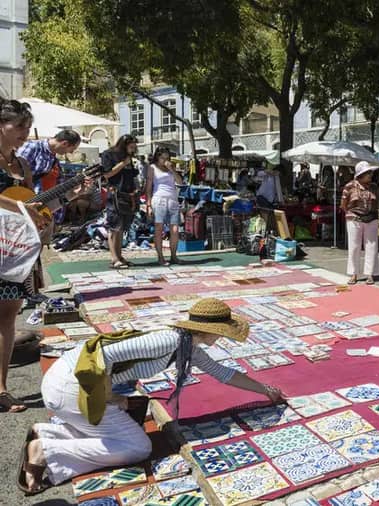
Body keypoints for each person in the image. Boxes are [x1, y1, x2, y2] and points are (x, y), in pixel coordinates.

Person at [17, 298, 284, 495]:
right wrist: (110, 396)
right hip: (72, 388)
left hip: (69, 384)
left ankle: (49, 433)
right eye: (222, 331)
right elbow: (103, 354)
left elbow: (223, 373)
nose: (223, 336)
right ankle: (47, 451)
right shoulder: (169, 341)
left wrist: (265, 390)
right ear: (209, 330)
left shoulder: (187, 345)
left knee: (116, 430)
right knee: (138, 447)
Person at [0, 100, 51, 413]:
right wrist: (22, 208)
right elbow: (21, 205)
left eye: (28, 128)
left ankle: (1, 389)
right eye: (19, 126)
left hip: (16, 250)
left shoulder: (22, 164)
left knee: (8, 317)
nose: (24, 133)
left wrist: (65, 200)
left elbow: (34, 203)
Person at [101, 135, 139, 269]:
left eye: (134, 147)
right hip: (115, 195)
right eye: (131, 147)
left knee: (121, 228)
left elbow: (132, 175)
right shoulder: (109, 154)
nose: (133, 149)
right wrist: (123, 164)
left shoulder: (129, 157)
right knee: (114, 227)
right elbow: (106, 174)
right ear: (124, 145)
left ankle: (120, 256)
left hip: (128, 195)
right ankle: (114, 258)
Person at [341, 161, 379, 285]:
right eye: (368, 173)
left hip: (372, 218)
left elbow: (377, 202)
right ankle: (354, 273)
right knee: (354, 246)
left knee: (372, 246)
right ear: (361, 175)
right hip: (354, 218)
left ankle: (370, 274)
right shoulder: (349, 186)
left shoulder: (374, 187)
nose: (370, 175)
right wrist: (351, 214)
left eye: (370, 172)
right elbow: (344, 204)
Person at [144, 148, 183, 266]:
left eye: (167, 158)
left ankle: (173, 256)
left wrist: (172, 169)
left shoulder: (171, 168)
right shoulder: (152, 168)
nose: (165, 160)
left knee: (175, 230)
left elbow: (180, 182)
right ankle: (160, 257)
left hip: (172, 200)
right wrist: (148, 204)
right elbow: (148, 187)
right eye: (163, 158)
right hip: (159, 199)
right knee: (159, 228)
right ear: (157, 157)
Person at [17, 129, 81, 196]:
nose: (71, 152)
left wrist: (76, 187)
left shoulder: (53, 159)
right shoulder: (32, 147)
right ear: (65, 143)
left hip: (35, 198)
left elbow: (60, 183)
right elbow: (13, 172)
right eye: (73, 149)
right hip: (19, 196)